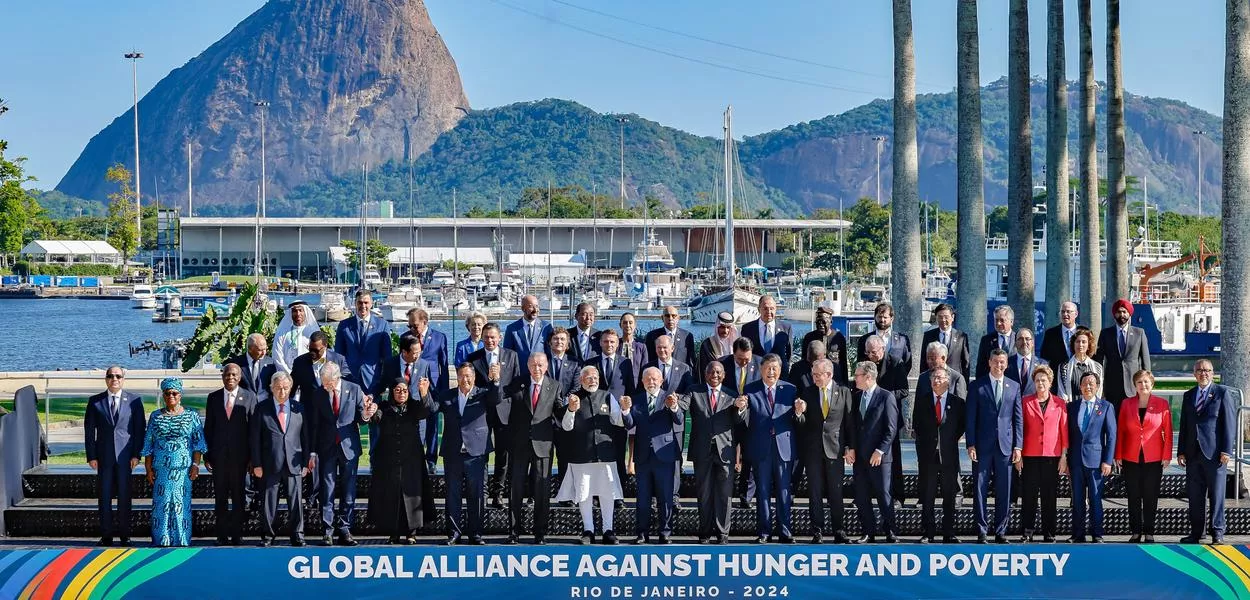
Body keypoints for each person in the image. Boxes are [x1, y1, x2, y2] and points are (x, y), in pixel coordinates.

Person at [429, 364, 499, 545]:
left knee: (477, 495)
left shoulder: (483, 393)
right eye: (461, 376)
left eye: (468, 376)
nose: (465, 380)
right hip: (453, 453)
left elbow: (496, 398)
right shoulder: (447, 395)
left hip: (476, 453)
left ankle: (475, 533)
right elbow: (431, 408)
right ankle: (454, 533)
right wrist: (423, 393)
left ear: (474, 378)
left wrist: (496, 380)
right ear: (457, 377)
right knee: (452, 495)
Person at [557, 366, 627, 545]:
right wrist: (571, 410)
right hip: (581, 455)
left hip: (605, 455)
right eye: (588, 377)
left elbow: (619, 421)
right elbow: (566, 426)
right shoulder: (573, 399)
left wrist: (625, 409)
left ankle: (608, 530)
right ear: (581, 380)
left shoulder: (607, 396)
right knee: (584, 494)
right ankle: (588, 530)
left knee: (607, 494)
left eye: (595, 377)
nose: (593, 380)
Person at [501, 353, 564, 544]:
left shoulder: (554, 386)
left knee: (542, 491)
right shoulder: (518, 383)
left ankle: (540, 533)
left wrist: (570, 408)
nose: (537, 369)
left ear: (546, 366)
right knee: (516, 489)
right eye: (533, 365)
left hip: (543, 445)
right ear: (528, 366)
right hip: (519, 444)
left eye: (541, 365)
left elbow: (559, 412)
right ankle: (514, 532)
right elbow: (504, 405)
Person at [307, 361, 370, 546]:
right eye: (323, 383)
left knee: (348, 491)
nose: (326, 386)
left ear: (337, 378)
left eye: (328, 383)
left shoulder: (354, 389)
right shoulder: (318, 394)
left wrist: (366, 414)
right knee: (327, 490)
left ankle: (345, 528)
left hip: (348, 447)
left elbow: (361, 418)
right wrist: (312, 452)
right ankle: (327, 531)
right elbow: (314, 425)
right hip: (326, 448)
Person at [365, 377, 434, 544]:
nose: (401, 393)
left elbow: (427, 410)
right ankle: (393, 532)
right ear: (392, 392)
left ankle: (412, 532)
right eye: (397, 390)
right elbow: (376, 418)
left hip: (411, 460)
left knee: (412, 496)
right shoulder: (384, 407)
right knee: (392, 496)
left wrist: (425, 394)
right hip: (389, 460)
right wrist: (369, 411)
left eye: (404, 390)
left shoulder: (414, 406)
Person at [140, 377, 207, 547]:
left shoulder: (191, 415)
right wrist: (148, 468)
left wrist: (195, 465)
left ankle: (181, 539)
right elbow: (149, 443)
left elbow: (198, 442)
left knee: (181, 504)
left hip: (183, 469)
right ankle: (161, 539)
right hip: (161, 469)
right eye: (167, 393)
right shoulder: (156, 416)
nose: (171, 396)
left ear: (180, 395)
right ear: (163, 395)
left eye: (174, 393)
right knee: (162, 505)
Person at [84, 366, 146, 547]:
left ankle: (125, 535)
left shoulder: (134, 401)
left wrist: (136, 454)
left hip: (126, 458)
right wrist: (91, 456)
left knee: (125, 496)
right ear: (106, 379)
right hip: (103, 457)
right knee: (104, 497)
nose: (114, 379)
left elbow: (139, 430)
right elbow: (89, 432)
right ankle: (106, 535)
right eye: (110, 376)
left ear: (123, 379)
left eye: (118, 376)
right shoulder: (95, 402)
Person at [794, 358, 854, 544]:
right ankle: (817, 531)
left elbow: (849, 423)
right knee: (815, 492)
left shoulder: (844, 392)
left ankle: (839, 530)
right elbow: (802, 426)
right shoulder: (808, 392)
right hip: (813, 451)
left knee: (836, 492)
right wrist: (799, 413)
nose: (815, 378)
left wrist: (850, 448)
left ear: (829, 374)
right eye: (813, 374)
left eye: (818, 375)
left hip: (835, 451)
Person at [250, 371, 312, 547]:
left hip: (294, 463)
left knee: (296, 501)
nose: (282, 392)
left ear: (290, 388)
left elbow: (305, 436)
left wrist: (306, 461)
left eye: (285, 388)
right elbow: (254, 439)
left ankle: (297, 534)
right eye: (278, 388)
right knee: (269, 502)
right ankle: (268, 536)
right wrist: (257, 464)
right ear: (271, 388)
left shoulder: (298, 408)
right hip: (270, 463)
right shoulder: (262, 408)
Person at [966, 349, 1022, 544]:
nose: (999, 365)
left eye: (1003, 362)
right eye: (996, 361)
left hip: (1005, 446)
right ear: (989, 362)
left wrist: (1018, 446)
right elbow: (971, 417)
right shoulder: (977, 386)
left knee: (1004, 489)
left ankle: (1000, 530)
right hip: (982, 446)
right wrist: (970, 443)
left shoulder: (1014, 386)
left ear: (1007, 364)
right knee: (980, 488)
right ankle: (981, 530)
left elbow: (1017, 419)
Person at [742, 354, 799, 543]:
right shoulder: (750, 389)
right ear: (761, 369)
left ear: (780, 370)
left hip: (784, 448)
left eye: (775, 368)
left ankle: (785, 531)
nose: (771, 372)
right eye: (768, 368)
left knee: (784, 491)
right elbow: (744, 420)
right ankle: (764, 532)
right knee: (763, 491)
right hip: (761, 448)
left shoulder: (790, 389)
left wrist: (800, 413)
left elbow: (798, 420)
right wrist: (740, 408)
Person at [684, 361, 743, 544]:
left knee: (725, 494)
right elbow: (682, 405)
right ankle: (705, 532)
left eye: (718, 372)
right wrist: (674, 403)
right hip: (702, 451)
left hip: (725, 451)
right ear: (705, 373)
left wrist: (740, 408)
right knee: (704, 493)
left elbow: (738, 423)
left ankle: (723, 533)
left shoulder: (732, 395)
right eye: (711, 371)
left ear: (724, 375)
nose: (715, 375)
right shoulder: (694, 391)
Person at [624, 366, 684, 544]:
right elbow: (629, 425)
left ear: (661, 381)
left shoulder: (669, 398)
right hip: (643, 457)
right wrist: (626, 411)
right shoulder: (636, 399)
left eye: (655, 379)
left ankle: (665, 532)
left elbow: (679, 420)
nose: (651, 382)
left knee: (665, 498)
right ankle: (642, 533)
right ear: (642, 382)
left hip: (664, 455)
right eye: (647, 379)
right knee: (642, 498)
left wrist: (674, 407)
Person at [1178, 359, 1235, 544]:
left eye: (1208, 370)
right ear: (1194, 374)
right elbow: (1184, 425)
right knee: (1195, 496)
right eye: (1200, 370)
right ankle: (1197, 533)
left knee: (1217, 495)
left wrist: (1227, 450)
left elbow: (1229, 424)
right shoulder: (1189, 395)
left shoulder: (1222, 393)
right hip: (1193, 454)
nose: (1204, 373)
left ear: (1213, 373)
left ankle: (1217, 532)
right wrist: (1181, 452)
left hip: (1215, 454)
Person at [1115, 369, 1173, 543]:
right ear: (1135, 385)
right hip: (1130, 456)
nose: (1143, 385)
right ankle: (1135, 532)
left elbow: (1168, 432)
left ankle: (1149, 531)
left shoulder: (1162, 404)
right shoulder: (1126, 404)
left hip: (1154, 458)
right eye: (1139, 382)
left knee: (1150, 495)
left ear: (1152, 383)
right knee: (1133, 495)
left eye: (1146, 382)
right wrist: (1118, 454)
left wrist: (1167, 455)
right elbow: (1121, 432)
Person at [467, 322, 521, 509]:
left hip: (504, 411)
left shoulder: (511, 356)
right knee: (481, 454)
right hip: (481, 412)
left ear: (499, 338)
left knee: (503, 455)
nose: (490, 340)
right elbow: (471, 385)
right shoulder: (474, 358)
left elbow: (516, 383)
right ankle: (482, 493)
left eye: (493, 337)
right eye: (486, 337)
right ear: (481, 338)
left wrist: (499, 391)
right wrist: (490, 388)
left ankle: (498, 493)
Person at [204, 363, 256, 546]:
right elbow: (208, 428)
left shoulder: (250, 397)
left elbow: (253, 430)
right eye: (227, 374)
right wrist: (207, 455)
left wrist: (252, 458)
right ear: (222, 376)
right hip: (219, 458)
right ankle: (222, 535)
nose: (230, 378)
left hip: (241, 459)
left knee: (239, 497)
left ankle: (237, 534)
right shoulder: (213, 397)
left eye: (234, 375)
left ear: (240, 377)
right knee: (220, 497)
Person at [913, 366, 965, 543]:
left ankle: (948, 532)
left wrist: (946, 442)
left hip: (949, 455)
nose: (936, 380)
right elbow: (917, 427)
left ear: (948, 381)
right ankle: (928, 532)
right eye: (934, 377)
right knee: (927, 496)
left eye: (940, 378)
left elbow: (960, 427)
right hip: (928, 456)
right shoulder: (922, 401)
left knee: (949, 496)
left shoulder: (957, 403)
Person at [1018, 365, 1068, 543]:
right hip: (1030, 455)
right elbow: (1020, 429)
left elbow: (1064, 431)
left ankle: (1049, 532)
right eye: (1037, 380)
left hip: (1051, 456)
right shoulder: (1025, 401)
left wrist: (1064, 456)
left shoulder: (1060, 403)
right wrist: (1019, 455)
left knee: (1049, 496)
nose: (1040, 383)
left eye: (1043, 380)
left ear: (1050, 382)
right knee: (1029, 495)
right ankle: (1027, 531)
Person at [850, 361, 898, 543]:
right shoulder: (856, 397)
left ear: (868, 377)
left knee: (883, 495)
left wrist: (880, 451)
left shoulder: (886, 397)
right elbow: (853, 426)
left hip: (879, 457)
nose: (855, 378)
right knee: (862, 496)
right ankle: (868, 532)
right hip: (860, 457)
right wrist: (850, 448)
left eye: (857, 375)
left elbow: (891, 428)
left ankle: (890, 530)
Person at [1066, 371, 1116, 543]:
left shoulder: (1106, 407)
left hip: (1096, 462)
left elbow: (1111, 436)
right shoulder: (1071, 407)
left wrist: (1108, 460)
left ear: (1097, 386)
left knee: (1095, 499)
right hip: (1076, 461)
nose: (1088, 386)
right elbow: (1067, 435)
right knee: (1077, 500)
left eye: (1091, 383)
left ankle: (1097, 534)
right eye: (1085, 383)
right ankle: (1078, 534)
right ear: (1080, 387)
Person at [863, 333, 912, 507]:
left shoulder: (895, 363)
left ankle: (897, 495)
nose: (871, 356)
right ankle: (866, 494)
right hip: (869, 419)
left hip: (890, 417)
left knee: (894, 458)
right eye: (868, 352)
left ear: (882, 349)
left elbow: (904, 390)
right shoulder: (865, 363)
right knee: (868, 456)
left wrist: (884, 396)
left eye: (874, 352)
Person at [721, 337, 761, 508]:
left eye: (747, 359)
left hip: (751, 419)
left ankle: (746, 496)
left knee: (750, 459)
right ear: (733, 353)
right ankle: (725, 495)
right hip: (728, 417)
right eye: (740, 359)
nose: (744, 362)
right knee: (726, 459)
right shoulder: (722, 364)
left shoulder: (760, 363)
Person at [334, 289, 391, 400]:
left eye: (366, 303)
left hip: (373, 382)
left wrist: (382, 382)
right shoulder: (344, 326)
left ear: (371, 304)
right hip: (349, 381)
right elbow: (339, 356)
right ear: (355, 303)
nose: (363, 306)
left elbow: (387, 357)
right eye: (360, 302)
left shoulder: (382, 325)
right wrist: (346, 377)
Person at [1095, 299, 1151, 411]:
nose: (1122, 315)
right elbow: (1099, 361)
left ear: (1129, 314)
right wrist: (1098, 384)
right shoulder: (1105, 334)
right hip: (1112, 387)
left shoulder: (1139, 333)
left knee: (1132, 421)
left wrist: (1146, 384)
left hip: (1133, 386)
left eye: (1124, 312)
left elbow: (1145, 361)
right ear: (1114, 314)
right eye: (1119, 312)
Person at [291, 331, 351, 403]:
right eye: (310, 349)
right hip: (308, 410)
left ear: (325, 346)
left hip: (332, 407)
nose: (312, 353)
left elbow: (348, 383)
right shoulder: (300, 363)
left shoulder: (339, 360)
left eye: (316, 350)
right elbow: (291, 388)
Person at [742, 296, 794, 377]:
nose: (769, 311)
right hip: (755, 375)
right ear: (759, 309)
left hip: (779, 376)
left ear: (776, 309)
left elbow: (789, 354)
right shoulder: (747, 329)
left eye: (772, 308)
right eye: (765, 308)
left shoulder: (786, 328)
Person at [800, 307, 850, 386]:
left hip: (835, 380)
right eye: (818, 322)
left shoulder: (838, 337)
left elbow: (843, 363)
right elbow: (803, 361)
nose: (821, 325)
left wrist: (845, 384)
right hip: (814, 381)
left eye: (824, 322)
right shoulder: (809, 338)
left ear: (831, 322)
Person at [921, 303, 970, 382]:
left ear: (952, 317)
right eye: (940, 317)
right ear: (936, 318)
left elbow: (966, 363)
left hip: (954, 381)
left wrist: (965, 384)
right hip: (934, 380)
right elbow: (923, 360)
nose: (943, 320)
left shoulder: (961, 337)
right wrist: (923, 382)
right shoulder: (928, 336)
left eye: (946, 317)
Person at [406, 307, 449, 394]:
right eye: (409, 326)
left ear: (424, 322)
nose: (412, 329)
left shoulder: (439, 337)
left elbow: (444, 365)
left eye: (415, 326)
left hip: (433, 383)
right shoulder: (405, 337)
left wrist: (445, 390)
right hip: (412, 383)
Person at [914, 342, 968, 408]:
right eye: (927, 358)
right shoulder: (923, 378)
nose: (929, 361)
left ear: (943, 358)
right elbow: (917, 407)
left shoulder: (957, 378)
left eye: (932, 359)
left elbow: (961, 408)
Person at [504, 294, 552, 366]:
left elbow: (550, 352)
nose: (535, 310)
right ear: (523, 308)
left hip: (540, 372)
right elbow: (507, 354)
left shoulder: (546, 327)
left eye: (536, 306)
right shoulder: (512, 329)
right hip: (520, 373)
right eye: (531, 306)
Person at [273, 300, 320, 373]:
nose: (298, 314)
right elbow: (277, 355)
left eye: (300, 310)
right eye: (294, 311)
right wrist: (288, 373)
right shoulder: (282, 332)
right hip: (286, 376)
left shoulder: (313, 332)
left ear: (305, 312)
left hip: (309, 375)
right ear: (290, 313)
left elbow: (319, 354)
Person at [1057, 328, 1102, 401]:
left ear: (1088, 345)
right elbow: (1062, 392)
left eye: (1084, 342)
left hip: (1091, 408)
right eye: (1077, 341)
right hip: (1071, 407)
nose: (1080, 345)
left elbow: (1099, 391)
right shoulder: (1064, 367)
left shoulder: (1097, 367)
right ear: (1073, 344)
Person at [227, 333, 277, 399]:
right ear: (250, 349)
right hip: (244, 404)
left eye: (265, 349)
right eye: (260, 350)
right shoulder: (236, 363)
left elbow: (273, 384)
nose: (264, 353)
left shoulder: (270, 362)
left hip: (264, 405)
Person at [976, 305, 1017, 380]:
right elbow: (981, 367)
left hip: (1014, 386)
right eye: (996, 320)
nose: (998, 323)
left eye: (1002, 320)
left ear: (1011, 322)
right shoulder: (986, 340)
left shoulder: (1019, 339)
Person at [1039, 301, 1081, 373]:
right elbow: (1044, 357)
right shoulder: (1050, 334)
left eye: (1068, 311)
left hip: (1080, 377)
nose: (1065, 314)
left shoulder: (1084, 332)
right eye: (1062, 312)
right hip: (1057, 378)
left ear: (1076, 314)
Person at [1005, 328, 1048, 397]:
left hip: (1034, 405)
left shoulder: (1042, 364)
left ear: (1032, 343)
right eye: (1020, 339)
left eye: (1027, 339)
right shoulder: (1006, 363)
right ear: (1015, 343)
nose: (1024, 342)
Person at [699, 312, 738, 377]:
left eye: (728, 327)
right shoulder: (707, 344)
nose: (725, 331)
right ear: (717, 327)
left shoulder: (736, 344)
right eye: (722, 327)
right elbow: (702, 369)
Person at [618, 312, 650, 383]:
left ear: (635, 325)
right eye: (625, 322)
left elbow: (644, 369)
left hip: (636, 387)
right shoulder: (615, 345)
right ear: (620, 325)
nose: (628, 325)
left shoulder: (641, 346)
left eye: (630, 322)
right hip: (618, 385)